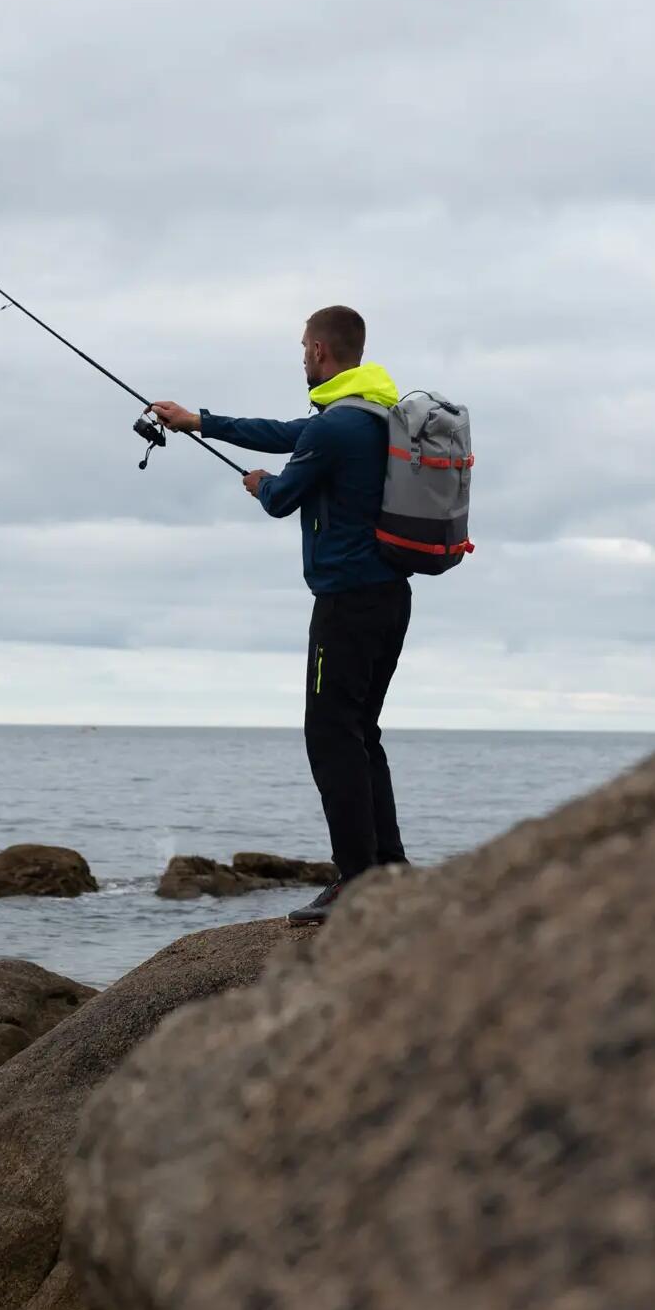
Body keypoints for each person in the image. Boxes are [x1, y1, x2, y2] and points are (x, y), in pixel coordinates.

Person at [153, 305, 411, 925]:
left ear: (320, 351)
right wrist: (200, 422)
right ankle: (389, 869)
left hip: (346, 603)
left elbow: (282, 495)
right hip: (390, 598)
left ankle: (356, 880)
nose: (300, 356)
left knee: (330, 736)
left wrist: (261, 484)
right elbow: (286, 431)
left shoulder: (336, 427)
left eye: (302, 347)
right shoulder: (376, 413)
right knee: (361, 733)